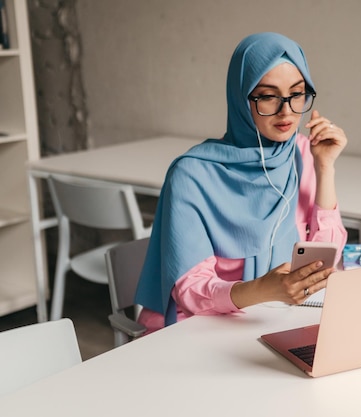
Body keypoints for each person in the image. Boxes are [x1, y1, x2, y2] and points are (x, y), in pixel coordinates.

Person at [134, 32, 348, 332]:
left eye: (297, 94)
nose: (285, 111)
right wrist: (264, 290)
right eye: (268, 96)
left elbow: (323, 261)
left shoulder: (302, 153)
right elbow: (190, 289)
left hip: (271, 319)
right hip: (197, 328)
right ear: (240, 98)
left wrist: (325, 167)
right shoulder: (191, 175)